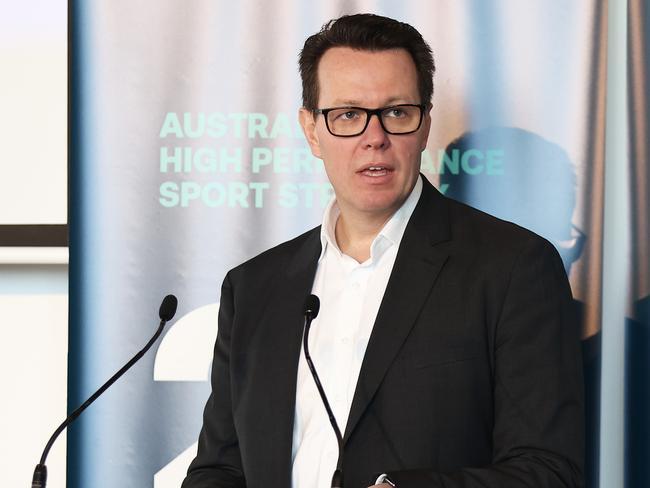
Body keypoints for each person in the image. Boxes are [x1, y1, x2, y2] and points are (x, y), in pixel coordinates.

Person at [182, 13, 584, 488]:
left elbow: (548, 471)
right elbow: (219, 470)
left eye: (396, 112)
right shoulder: (254, 287)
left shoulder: (514, 268)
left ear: (424, 125)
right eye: (348, 115)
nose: (375, 138)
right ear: (312, 131)